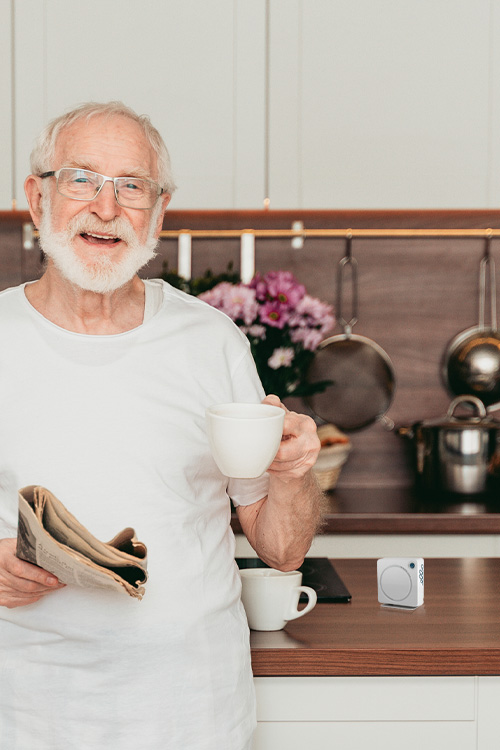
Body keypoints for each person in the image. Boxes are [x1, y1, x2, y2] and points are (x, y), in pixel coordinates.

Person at [0, 101, 324, 750]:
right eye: (81, 178)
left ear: (160, 210)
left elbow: (282, 549)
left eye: (133, 187)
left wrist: (291, 474)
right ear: (37, 198)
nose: (107, 206)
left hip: (191, 711)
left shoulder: (212, 341)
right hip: (26, 711)